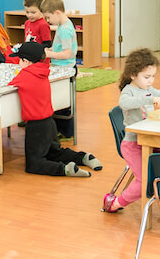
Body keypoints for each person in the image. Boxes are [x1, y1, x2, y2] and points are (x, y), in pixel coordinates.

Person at [103, 48, 160, 213]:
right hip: (133, 144)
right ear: (133, 74)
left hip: (149, 139)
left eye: (153, 76)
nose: (151, 81)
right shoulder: (129, 91)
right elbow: (125, 103)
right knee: (144, 179)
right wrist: (149, 98)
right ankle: (117, 202)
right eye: (147, 77)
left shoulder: (147, 89)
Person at [9, 42, 102, 177]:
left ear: (26, 61)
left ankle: (64, 169)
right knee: (55, 153)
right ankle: (84, 157)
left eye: (20, 60)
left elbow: (10, 85)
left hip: (35, 127)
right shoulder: (43, 72)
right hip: (49, 122)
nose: (18, 63)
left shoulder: (24, 76)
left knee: (33, 164)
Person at [41, 0, 77, 137]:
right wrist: (51, 50)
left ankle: (66, 132)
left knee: (64, 103)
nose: (47, 21)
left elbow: (67, 53)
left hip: (66, 69)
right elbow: (61, 49)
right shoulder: (63, 25)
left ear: (57, 13)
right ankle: (60, 131)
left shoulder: (65, 29)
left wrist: (49, 55)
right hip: (60, 67)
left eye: (48, 18)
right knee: (58, 101)